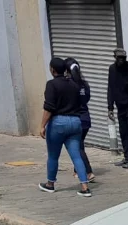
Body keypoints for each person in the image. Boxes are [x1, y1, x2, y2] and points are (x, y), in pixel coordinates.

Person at [39, 57, 91, 197]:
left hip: (58, 123)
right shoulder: (74, 84)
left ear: (52, 70)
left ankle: (50, 184)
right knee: (76, 156)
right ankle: (84, 186)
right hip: (75, 122)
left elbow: (48, 107)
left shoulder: (51, 84)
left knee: (53, 156)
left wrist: (42, 125)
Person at [65, 58, 96, 183]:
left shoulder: (69, 85)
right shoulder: (84, 84)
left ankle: (88, 172)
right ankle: (77, 170)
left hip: (76, 119)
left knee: (78, 147)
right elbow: (86, 99)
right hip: (86, 119)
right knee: (79, 144)